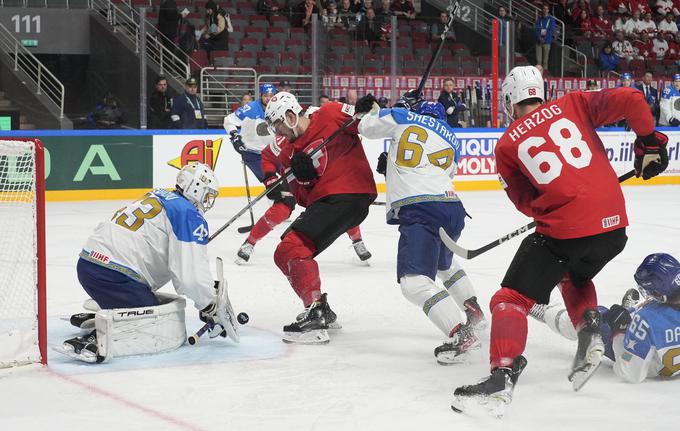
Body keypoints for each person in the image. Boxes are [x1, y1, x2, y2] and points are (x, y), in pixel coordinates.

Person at [450, 65, 669, 415]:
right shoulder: (574, 103)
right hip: (614, 229)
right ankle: (591, 331)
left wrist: (551, 207)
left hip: (567, 230)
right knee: (574, 274)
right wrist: (647, 140)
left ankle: (501, 377)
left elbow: (524, 203)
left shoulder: (507, 145)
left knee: (510, 299)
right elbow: (631, 99)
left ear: (509, 100)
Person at [356, 94, 485, 364]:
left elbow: (366, 127)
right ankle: (475, 313)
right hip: (452, 207)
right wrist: (392, 165)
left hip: (420, 207)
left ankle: (460, 334)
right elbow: (435, 170)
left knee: (413, 283)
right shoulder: (451, 136)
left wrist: (390, 109)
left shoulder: (404, 116)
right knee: (444, 264)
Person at [59, 164, 227, 363]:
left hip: (88, 264)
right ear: (196, 188)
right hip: (115, 275)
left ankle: (112, 308)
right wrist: (208, 305)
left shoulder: (160, 195)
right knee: (150, 321)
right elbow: (191, 278)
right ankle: (100, 335)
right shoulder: (188, 214)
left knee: (142, 299)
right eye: (207, 194)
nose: (208, 201)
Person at [263, 92, 377, 344]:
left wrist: (369, 110)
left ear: (290, 116)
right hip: (330, 203)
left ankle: (315, 313)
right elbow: (303, 199)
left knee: (291, 247)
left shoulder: (330, 113)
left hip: (350, 194)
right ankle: (319, 308)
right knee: (284, 253)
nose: (277, 132)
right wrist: (304, 178)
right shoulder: (287, 155)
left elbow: (368, 124)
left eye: (277, 124)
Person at [235, 107, 373, 265]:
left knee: (341, 202)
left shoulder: (322, 124)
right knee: (281, 209)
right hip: (293, 175)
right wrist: (270, 178)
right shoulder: (284, 138)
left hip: (319, 180)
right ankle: (250, 242)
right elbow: (267, 155)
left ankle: (357, 240)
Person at [529, 253, 680, 383]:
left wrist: (619, 330)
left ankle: (545, 311)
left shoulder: (647, 319)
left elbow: (630, 373)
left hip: (645, 364)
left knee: (589, 319)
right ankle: (627, 311)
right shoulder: (652, 314)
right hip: (665, 359)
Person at [223, 84, 277, 182]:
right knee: (272, 184)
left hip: (273, 152)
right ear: (261, 96)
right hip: (253, 154)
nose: (269, 99)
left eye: (271, 96)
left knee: (290, 181)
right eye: (265, 95)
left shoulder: (278, 108)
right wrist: (235, 135)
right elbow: (228, 120)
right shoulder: (250, 108)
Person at [534, 4, 557, 70]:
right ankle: (538, 74)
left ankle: (545, 76)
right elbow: (536, 29)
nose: (545, 10)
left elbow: (551, 30)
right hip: (538, 42)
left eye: (546, 9)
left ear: (548, 10)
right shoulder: (539, 20)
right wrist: (539, 38)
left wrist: (544, 38)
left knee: (545, 60)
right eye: (544, 9)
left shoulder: (551, 20)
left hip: (547, 42)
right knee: (538, 61)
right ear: (542, 10)